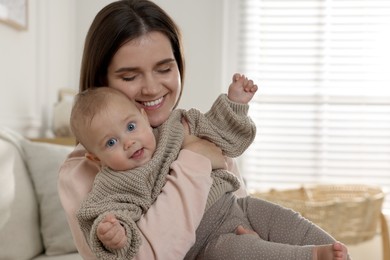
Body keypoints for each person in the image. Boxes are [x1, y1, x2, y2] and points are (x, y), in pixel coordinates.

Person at [58, 0, 350, 260]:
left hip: (237, 218)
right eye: (130, 75)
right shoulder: (89, 174)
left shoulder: (188, 125)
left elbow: (238, 202)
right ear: (101, 80)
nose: (151, 88)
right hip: (211, 246)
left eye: (164, 69)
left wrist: (234, 105)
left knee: (285, 221)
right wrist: (195, 157)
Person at [71, 77, 349, 260]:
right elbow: (108, 216)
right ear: (95, 159)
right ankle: (312, 256)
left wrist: (235, 104)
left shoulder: (173, 129)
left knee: (281, 218)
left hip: (235, 206)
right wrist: (114, 234)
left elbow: (217, 130)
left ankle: (332, 249)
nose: (129, 142)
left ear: (143, 117)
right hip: (205, 243)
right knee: (241, 252)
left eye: (131, 126)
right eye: (111, 142)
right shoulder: (114, 184)